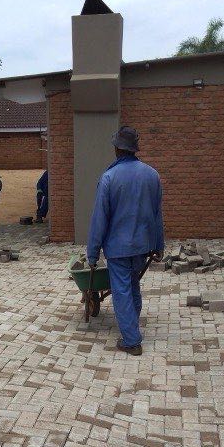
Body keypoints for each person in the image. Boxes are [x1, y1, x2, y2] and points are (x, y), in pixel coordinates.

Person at [86, 126, 164, 356]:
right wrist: (159, 245)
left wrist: (92, 253)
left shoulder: (109, 177)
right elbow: (157, 214)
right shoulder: (152, 174)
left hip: (118, 248)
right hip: (142, 246)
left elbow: (99, 218)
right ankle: (132, 327)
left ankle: (131, 340)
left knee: (121, 291)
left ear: (117, 149)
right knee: (132, 286)